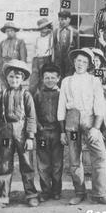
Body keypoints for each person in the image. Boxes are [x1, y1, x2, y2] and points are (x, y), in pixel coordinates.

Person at [57, 47, 106, 205]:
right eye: (78, 60)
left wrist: (96, 128)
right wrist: (63, 131)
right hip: (72, 122)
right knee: (75, 159)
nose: (80, 64)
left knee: (100, 155)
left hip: (89, 121)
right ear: (74, 62)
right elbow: (61, 107)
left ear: (89, 64)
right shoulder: (66, 81)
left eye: (84, 61)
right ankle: (79, 192)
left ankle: (100, 194)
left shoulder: (94, 81)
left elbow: (99, 105)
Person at [0, 60, 38, 211]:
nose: (14, 80)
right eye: (11, 77)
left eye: (17, 77)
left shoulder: (26, 95)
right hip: (5, 133)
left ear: (22, 79)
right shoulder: (1, 95)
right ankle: (2, 198)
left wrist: (30, 137)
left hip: (21, 132)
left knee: (27, 163)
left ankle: (31, 195)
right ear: (6, 78)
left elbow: (31, 117)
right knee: (5, 164)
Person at [33, 63, 63, 202]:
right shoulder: (38, 95)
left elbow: (64, 113)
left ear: (58, 78)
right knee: (43, 164)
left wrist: (62, 131)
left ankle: (56, 190)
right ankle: (45, 191)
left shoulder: (61, 94)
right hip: (43, 133)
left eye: (52, 77)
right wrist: (39, 127)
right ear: (42, 79)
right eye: (46, 77)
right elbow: (33, 114)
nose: (50, 80)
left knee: (57, 164)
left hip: (57, 133)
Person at [0, 21, 27, 90]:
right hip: (4, 67)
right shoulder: (2, 43)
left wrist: (21, 69)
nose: (9, 33)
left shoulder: (20, 42)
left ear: (15, 31)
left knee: (15, 85)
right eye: (7, 31)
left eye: (11, 30)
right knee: (4, 86)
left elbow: (23, 58)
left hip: (15, 66)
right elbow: (0, 57)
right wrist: (1, 69)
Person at [29, 18, 53, 95]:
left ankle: (42, 98)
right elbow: (34, 51)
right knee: (34, 80)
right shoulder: (37, 39)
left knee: (44, 80)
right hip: (36, 60)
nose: (44, 30)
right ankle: (31, 98)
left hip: (46, 59)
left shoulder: (50, 37)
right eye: (42, 28)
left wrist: (51, 31)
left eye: (46, 27)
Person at [53, 10, 78, 79]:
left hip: (69, 56)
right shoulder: (56, 31)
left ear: (69, 20)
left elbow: (77, 46)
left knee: (69, 72)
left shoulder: (74, 32)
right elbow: (54, 45)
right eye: (61, 19)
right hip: (59, 56)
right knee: (58, 72)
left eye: (65, 19)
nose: (63, 21)